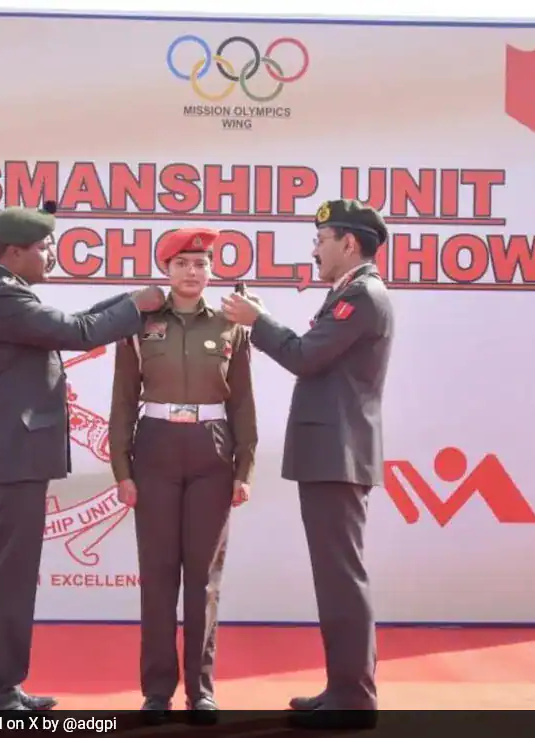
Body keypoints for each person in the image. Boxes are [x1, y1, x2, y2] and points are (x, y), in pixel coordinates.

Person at [0, 200, 167, 711]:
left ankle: (4, 685)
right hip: (8, 461)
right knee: (7, 581)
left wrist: (131, 300)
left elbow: (74, 322)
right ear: (14, 252)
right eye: (44, 247)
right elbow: (79, 333)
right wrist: (137, 306)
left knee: (11, 579)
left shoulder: (7, 293)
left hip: (10, 459)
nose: (51, 255)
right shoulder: (4, 299)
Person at [220, 199, 394, 730]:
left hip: (338, 453)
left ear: (349, 243)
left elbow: (304, 356)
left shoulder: (361, 295)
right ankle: (342, 688)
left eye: (321, 240)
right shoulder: (347, 292)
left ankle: (353, 698)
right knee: (335, 577)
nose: (315, 250)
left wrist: (258, 321)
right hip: (331, 452)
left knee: (341, 577)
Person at [108, 228, 258, 721]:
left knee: (204, 579)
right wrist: (122, 469)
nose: (192, 272)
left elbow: (243, 403)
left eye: (201, 263)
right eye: (182, 264)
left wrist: (244, 467)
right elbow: (123, 401)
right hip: (155, 448)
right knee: (157, 576)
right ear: (166, 270)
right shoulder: (139, 323)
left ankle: (201, 690)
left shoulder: (232, 323)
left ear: (211, 270)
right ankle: (156, 691)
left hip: (211, 451)